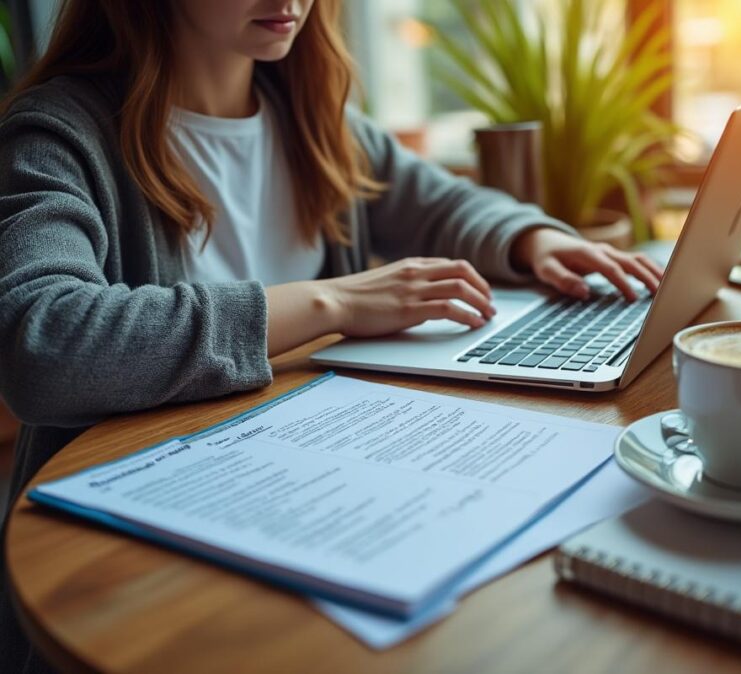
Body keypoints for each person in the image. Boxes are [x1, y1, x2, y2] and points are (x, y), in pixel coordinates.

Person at [0, 1, 662, 670]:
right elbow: (44, 343)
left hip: (304, 497)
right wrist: (333, 302)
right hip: (132, 560)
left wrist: (532, 239)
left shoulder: (312, 118)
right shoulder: (59, 136)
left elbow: (443, 203)